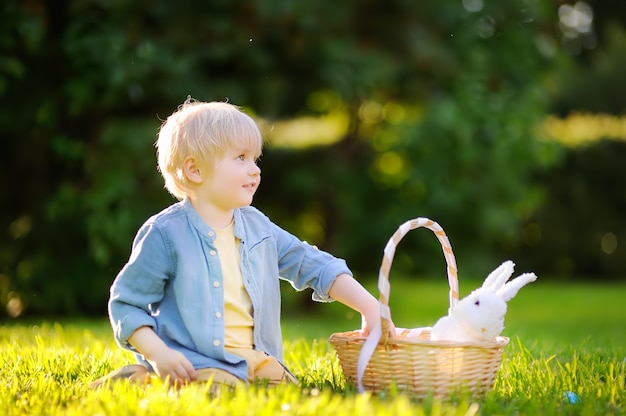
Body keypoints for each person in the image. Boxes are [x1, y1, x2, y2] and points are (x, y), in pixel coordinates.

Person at [89, 98, 395, 390]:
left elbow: (312, 264)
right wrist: (159, 354)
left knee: (285, 392)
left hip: (257, 361)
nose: (255, 169)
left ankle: (159, 380)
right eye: (240, 158)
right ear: (195, 170)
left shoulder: (258, 227)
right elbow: (127, 304)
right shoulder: (166, 234)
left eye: (254, 159)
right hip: (193, 362)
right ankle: (140, 379)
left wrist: (369, 307)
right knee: (218, 390)